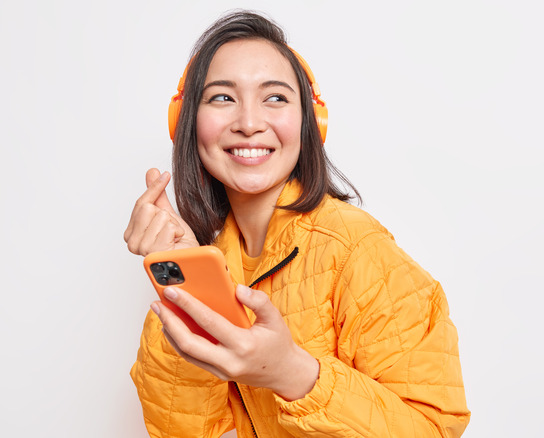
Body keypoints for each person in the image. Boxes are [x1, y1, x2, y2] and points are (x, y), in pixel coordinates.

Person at [124, 10, 470, 437]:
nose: (249, 123)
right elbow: (183, 430)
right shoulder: (216, 260)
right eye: (222, 98)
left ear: (311, 123)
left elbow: (433, 430)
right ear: (186, 124)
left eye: (275, 97)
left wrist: (294, 374)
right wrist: (186, 288)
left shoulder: (358, 250)